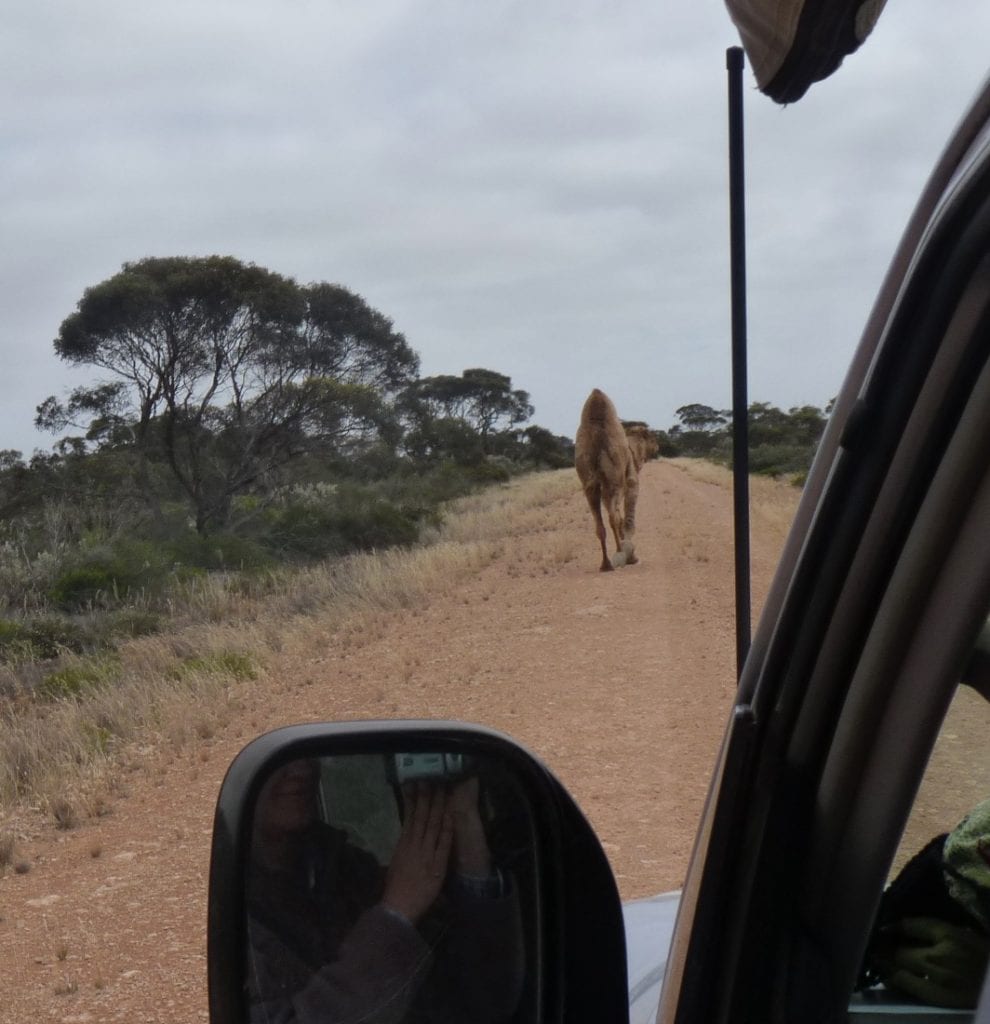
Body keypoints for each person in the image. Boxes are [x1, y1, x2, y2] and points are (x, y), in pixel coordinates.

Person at [245, 757, 524, 1024]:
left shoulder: (348, 871)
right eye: (281, 758)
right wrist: (395, 915)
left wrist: (468, 841)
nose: (302, 767)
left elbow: (481, 1002)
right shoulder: (235, 918)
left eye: (307, 753)